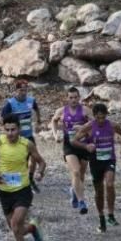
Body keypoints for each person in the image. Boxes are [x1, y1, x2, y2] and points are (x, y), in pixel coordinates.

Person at [71, 103, 121, 234]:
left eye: (103, 117)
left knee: (109, 184)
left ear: (106, 116)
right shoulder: (89, 126)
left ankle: (111, 215)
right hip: (95, 161)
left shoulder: (112, 125)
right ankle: (101, 218)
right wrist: (86, 147)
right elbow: (74, 141)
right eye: (98, 118)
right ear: (94, 117)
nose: (101, 120)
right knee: (99, 191)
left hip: (109, 160)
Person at [51, 87, 91, 215]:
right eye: (71, 97)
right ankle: (82, 201)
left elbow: (94, 124)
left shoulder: (85, 110)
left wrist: (83, 128)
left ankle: (74, 192)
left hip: (83, 145)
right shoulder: (61, 111)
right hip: (69, 146)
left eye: (75, 97)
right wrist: (55, 134)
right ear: (67, 98)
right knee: (75, 171)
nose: (73, 100)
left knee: (82, 175)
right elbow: (53, 121)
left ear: (79, 97)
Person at [1, 79, 42, 192]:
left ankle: (30, 178)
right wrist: (9, 130)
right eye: (21, 90)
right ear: (16, 90)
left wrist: (38, 122)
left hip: (28, 135)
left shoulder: (30, 100)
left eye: (25, 90)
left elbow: (36, 109)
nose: (23, 92)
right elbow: (3, 117)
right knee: (20, 160)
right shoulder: (10, 103)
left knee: (34, 157)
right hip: (16, 138)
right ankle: (13, 184)